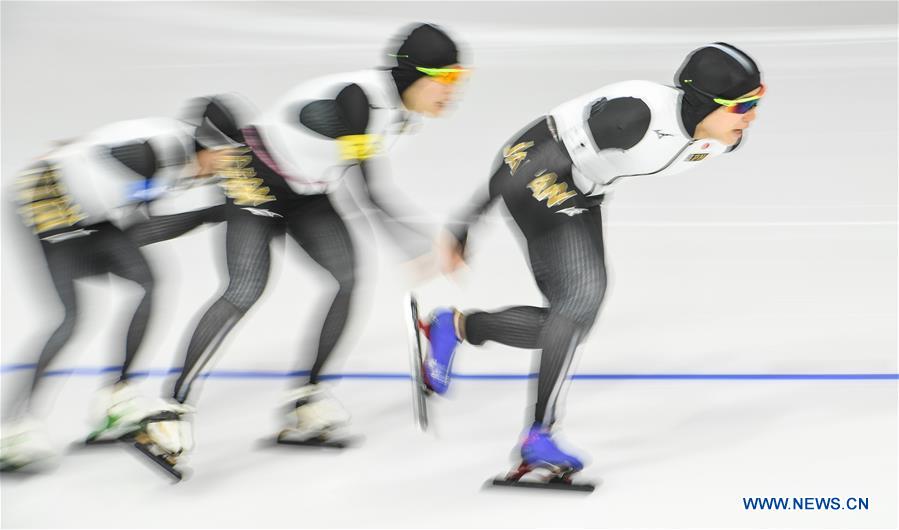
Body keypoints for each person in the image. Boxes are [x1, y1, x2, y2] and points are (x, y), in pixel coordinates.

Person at [420, 42, 764, 483]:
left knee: (569, 322)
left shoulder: (723, 137)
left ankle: (456, 328)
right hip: (535, 165)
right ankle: (538, 435)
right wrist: (466, 224)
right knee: (583, 296)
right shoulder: (634, 117)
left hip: (585, 187)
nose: (752, 115)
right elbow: (528, 155)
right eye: (743, 105)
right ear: (704, 103)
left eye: (757, 101)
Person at [140, 23, 468, 466]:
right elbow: (370, 193)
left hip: (306, 191)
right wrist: (422, 242)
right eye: (445, 79)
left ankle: (306, 398)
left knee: (348, 279)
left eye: (459, 80)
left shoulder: (401, 111)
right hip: (254, 180)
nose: (452, 91)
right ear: (414, 75)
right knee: (244, 291)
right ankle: (169, 409)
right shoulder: (360, 99)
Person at [0, 97, 244, 471]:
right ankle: (14, 428)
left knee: (149, 282)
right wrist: (213, 213)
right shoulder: (155, 155)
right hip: (48, 200)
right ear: (208, 147)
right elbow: (145, 230)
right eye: (224, 161)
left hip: (91, 207)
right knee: (72, 317)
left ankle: (117, 397)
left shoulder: (176, 155)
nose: (223, 172)